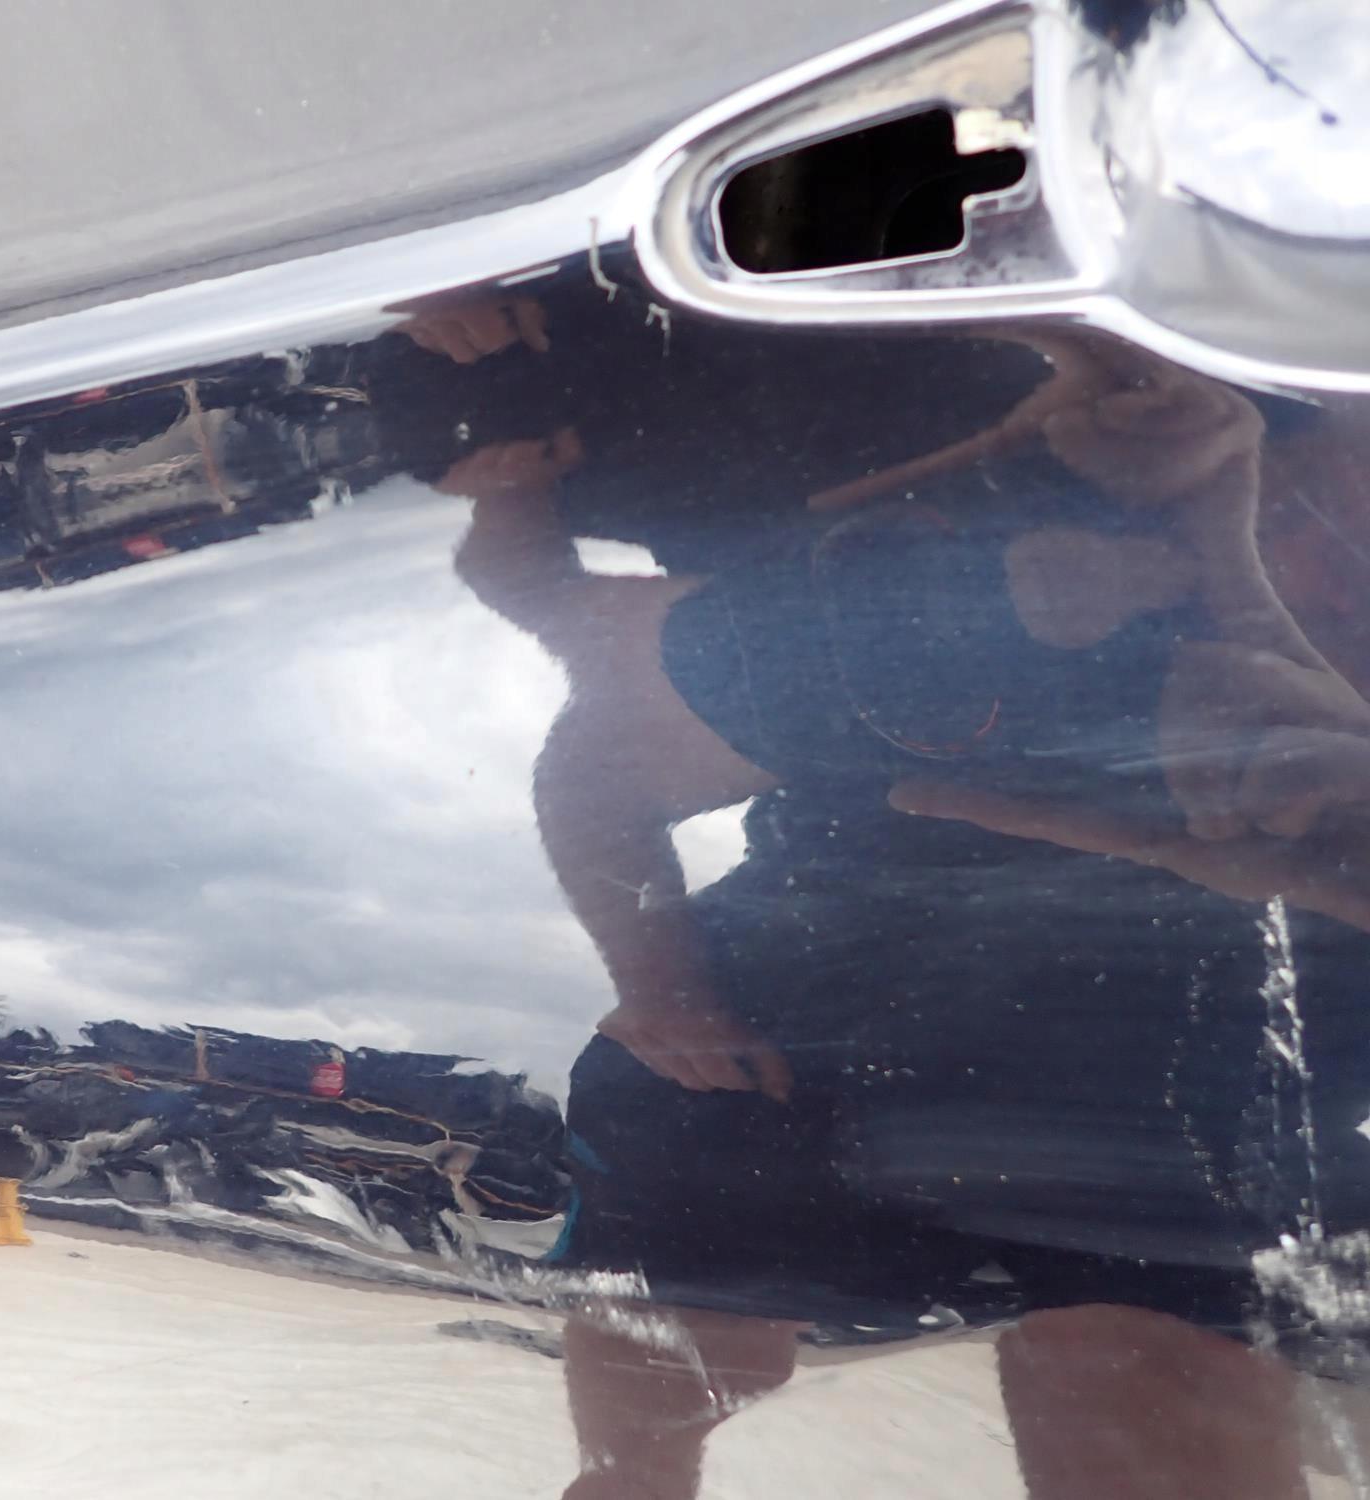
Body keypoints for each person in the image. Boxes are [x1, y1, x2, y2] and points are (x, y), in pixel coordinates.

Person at [396, 286, 1370, 1498]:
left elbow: (569, 669)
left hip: (1161, 972)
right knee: (685, 1263)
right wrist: (664, 989)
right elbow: (591, 730)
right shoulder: (838, 641)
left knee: (1135, 1348)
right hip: (863, 899)